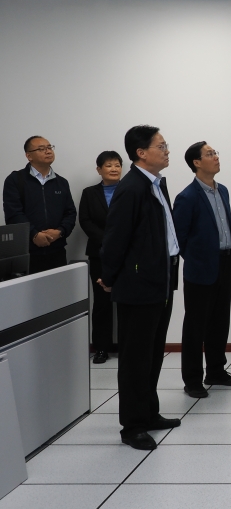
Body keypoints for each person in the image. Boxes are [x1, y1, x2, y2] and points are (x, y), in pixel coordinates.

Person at [98, 125, 181, 451]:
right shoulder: (131, 188)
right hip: (139, 284)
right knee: (135, 359)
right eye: (161, 146)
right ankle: (132, 426)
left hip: (161, 281)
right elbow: (115, 238)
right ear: (141, 153)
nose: (167, 150)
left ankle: (148, 413)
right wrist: (109, 277)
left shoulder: (155, 184)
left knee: (152, 354)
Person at [173, 141, 231, 399]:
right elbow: (178, 238)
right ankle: (192, 380)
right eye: (210, 154)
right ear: (196, 162)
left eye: (215, 153)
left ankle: (216, 371)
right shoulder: (187, 197)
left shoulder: (222, 190)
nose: (216, 157)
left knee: (219, 320)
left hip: (224, 262)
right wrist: (198, 258)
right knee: (195, 325)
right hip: (201, 267)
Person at [2, 136, 77, 274]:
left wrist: (60, 232)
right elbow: (14, 213)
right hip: (27, 253)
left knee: (57, 287)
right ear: (29, 156)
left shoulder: (61, 182)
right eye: (41, 149)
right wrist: (34, 235)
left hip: (57, 251)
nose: (48, 151)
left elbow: (70, 213)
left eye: (49, 147)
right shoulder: (15, 180)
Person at [79, 151, 123, 364]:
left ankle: (127, 346)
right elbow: (85, 221)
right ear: (99, 169)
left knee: (126, 301)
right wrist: (107, 240)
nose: (114, 169)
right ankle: (101, 348)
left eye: (117, 165)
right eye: (108, 165)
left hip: (127, 254)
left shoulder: (130, 190)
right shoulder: (89, 193)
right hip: (99, 253)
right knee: (102, 302)